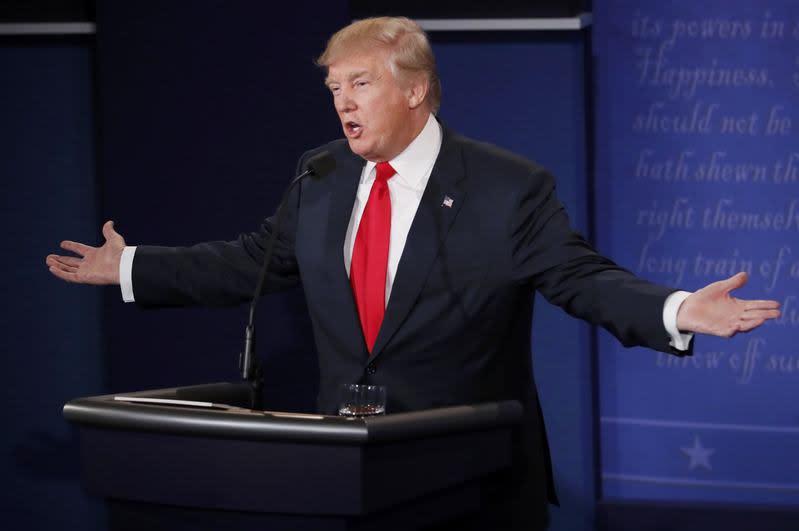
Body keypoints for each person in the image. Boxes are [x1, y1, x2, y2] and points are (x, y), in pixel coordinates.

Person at [46, 16, 780, 530]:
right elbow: (250, 260)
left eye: (359, 83)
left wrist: (676, 309)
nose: (342, 102)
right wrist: (133, 266)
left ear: (415, 89)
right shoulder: (322, 176)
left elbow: (576, 275)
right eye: (334, 86)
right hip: (347, 479)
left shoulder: (504, 185)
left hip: (470, 482)